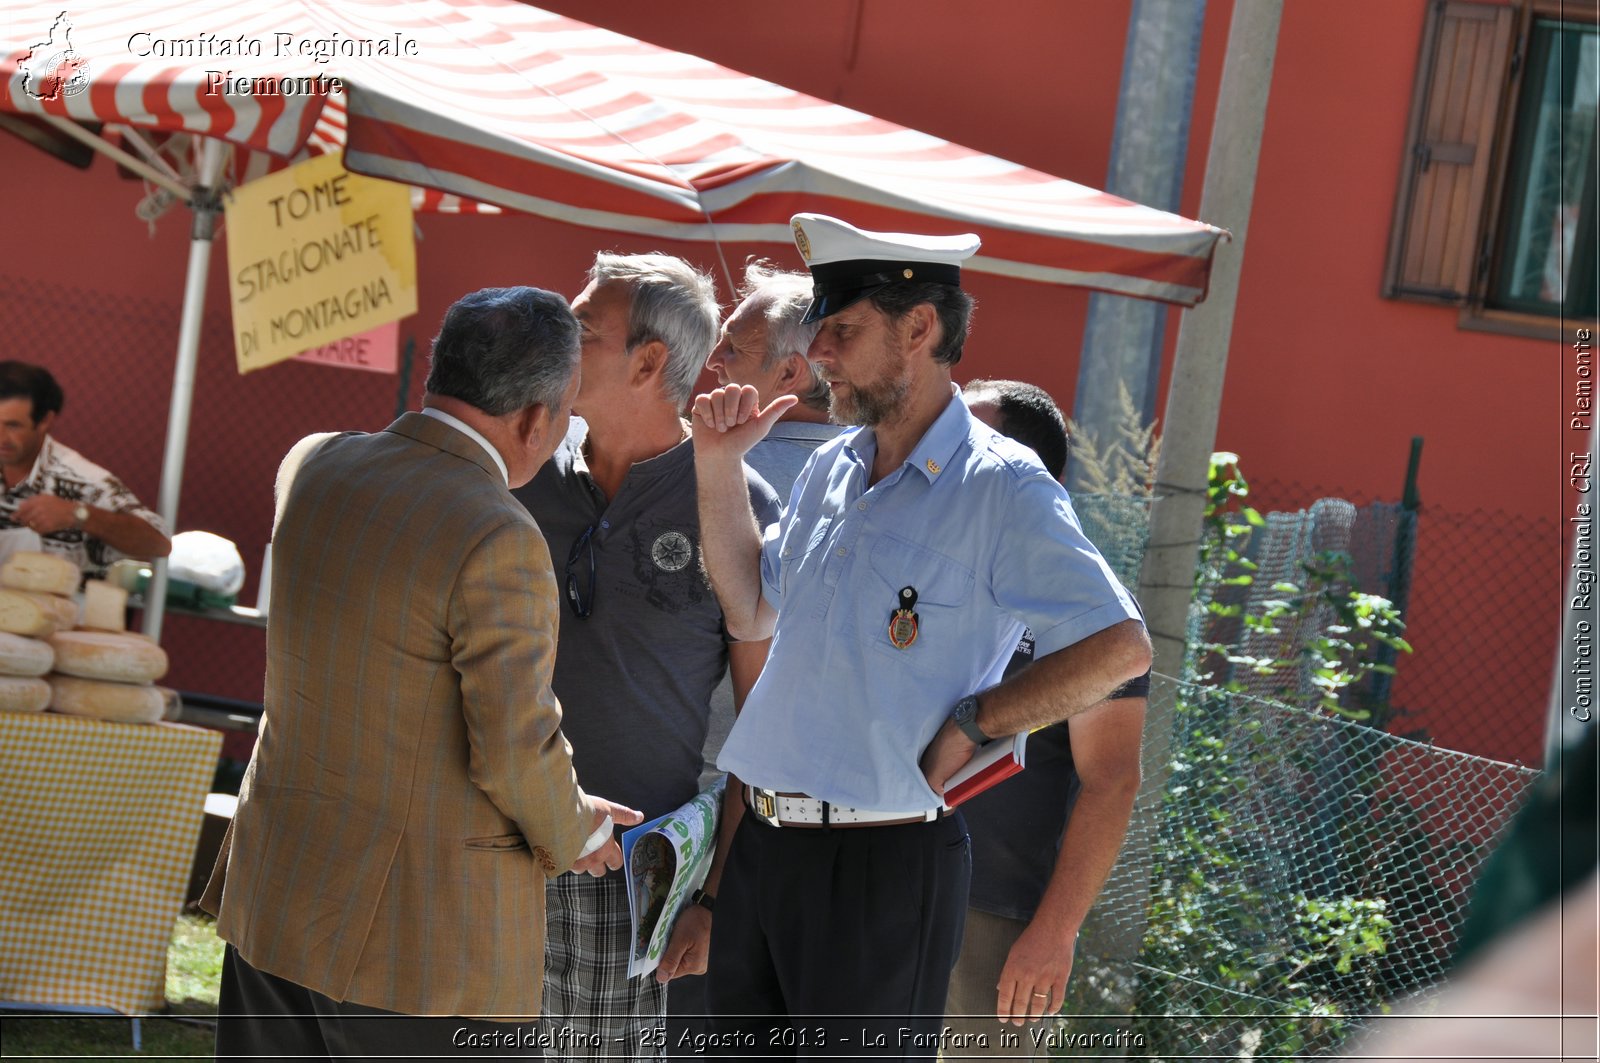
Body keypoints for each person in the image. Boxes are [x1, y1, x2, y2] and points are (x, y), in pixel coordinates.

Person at [691, 214, 1152, 1056]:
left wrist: (982, 720)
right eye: (819, 329)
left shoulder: (1003, 486)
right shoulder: (835, 462)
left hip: (881, 866)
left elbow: (1122, 646)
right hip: (765, 847)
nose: (820, 351)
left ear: (920, 327)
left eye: (843, 330)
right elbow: (753, 609)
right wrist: (717, 464)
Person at [201, 287, 641, 1059]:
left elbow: (387, 681)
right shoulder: (497, 530)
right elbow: (512, 746)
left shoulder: (314, 461)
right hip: (418, 943)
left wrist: (562, 803)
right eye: (567, 411)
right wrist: (577, 826)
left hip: (277, 891)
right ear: (537, 420)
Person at [512, 254, 781, 1058]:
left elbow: (758, 725)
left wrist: (714, 895)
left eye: (583, 330)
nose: (558, 340)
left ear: (650, 362)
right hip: (495, 842)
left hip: (630, 877)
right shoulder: (520, 470)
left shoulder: (734, 500)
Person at [944, 379, 1148, 1053]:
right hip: (885, 886)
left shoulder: (1086, 606)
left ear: (1030, 470)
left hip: (995, 922)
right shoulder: (927, 565)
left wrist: (1055, 932)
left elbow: (1112, 779)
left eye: (969, 437)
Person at [0, 360, 169, 579]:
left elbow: (158, 542)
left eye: (13, 425)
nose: (1, 437)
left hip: (63, 611)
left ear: (45, 421)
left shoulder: (84, 481)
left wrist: (79, 515)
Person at [705, 261, 845, 500]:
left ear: (788, 373)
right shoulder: (878, 462)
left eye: (734, 347)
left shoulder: (732, 466)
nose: (713, 360)